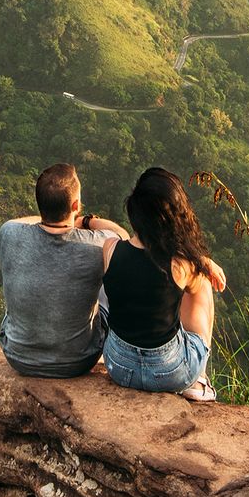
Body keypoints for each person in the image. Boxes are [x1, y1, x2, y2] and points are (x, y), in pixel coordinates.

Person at [101, 167, 226, 402]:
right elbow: (183, 262)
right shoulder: (181, 265)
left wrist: (86, 220)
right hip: (170, 373)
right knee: (201, 285)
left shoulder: (110, 249)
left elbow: (125, 241)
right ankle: (198, 379)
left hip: (118, 368)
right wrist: (203, 262)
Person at [0, 162, 129, 378]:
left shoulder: (9, 234)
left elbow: (17, 222)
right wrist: (85, 221)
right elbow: (121, 235)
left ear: (39, 203)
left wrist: (45, 219)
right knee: (108, 268)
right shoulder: (97, 245)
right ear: (75, 204)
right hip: (78, 361)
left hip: (18, 357)